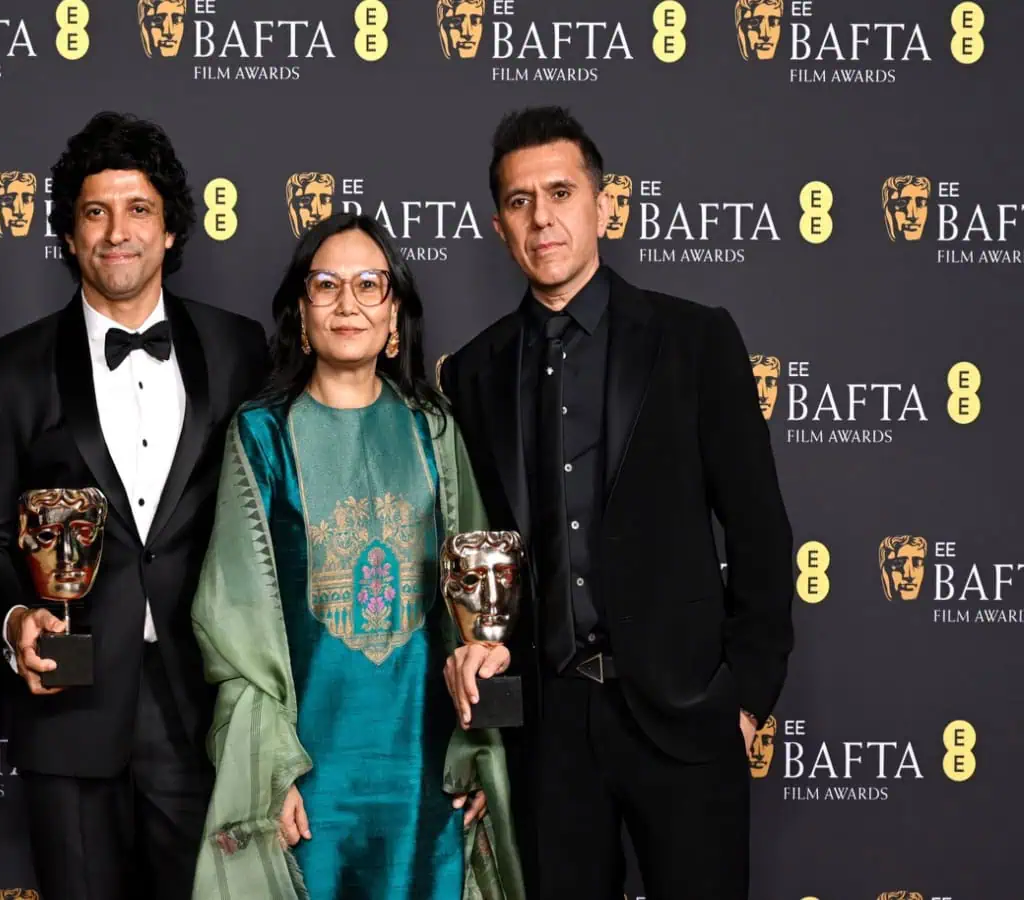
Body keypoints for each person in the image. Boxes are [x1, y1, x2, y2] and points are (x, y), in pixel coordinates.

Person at [437, 105, 794, 900]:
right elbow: (471, 548)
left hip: (685, 716)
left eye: (561, 193)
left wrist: (743, 701)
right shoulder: (473, 372)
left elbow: (761, 532)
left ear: (603, 204)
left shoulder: (695, 340)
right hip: (547, 729)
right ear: (499, 227)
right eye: (521, 201)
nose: (542, 218)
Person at [0, 111, 270, 900]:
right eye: (95, 212)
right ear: (69, 234)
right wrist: (15, 619)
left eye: (138, 210)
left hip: (205, 703)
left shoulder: (240, 350)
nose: (117, 232)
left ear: (171, 229)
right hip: (71, 706)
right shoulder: (12, 370)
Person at [191, 212, 525, 900]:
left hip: (427, 765)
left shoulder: (434, 429)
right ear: (301, 311)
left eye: (369, 284)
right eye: (326, 285)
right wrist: (269, 772)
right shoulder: (261, 435)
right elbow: (235, 625)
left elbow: (478, 619)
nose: (348, 303)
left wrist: (480, 747)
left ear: (394, 312)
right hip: (310, 773)